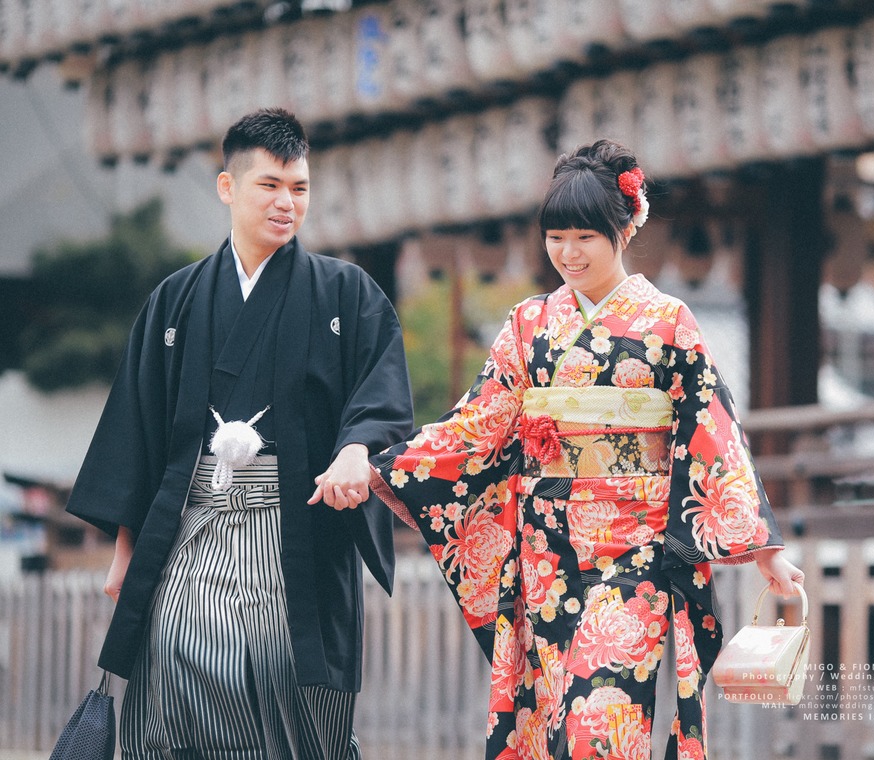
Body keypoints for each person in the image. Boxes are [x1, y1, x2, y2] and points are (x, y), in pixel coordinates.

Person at [364, 139, 804, 759]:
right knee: (552, 723)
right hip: (549, 552)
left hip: (638, 548)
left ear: (625, 228)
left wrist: (762, 547)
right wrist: (383, 466)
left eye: (585, 238)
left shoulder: (668, 322)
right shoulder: (528, 325)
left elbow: (711, 428)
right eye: (556, 237)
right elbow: (476, 424)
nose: (567, 254)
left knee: (600, 728)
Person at [66, 107, 414, 759]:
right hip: (187, 537)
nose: (287, 203)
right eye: (270, 186)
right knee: (170, 685)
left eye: (299, 188)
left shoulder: (346, 295)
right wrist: (124, 551)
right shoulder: (176, 299)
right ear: (228, 187)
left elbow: (381, 398)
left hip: (296, 537)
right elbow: (136, 432)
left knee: (288, 692)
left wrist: (356, 450)